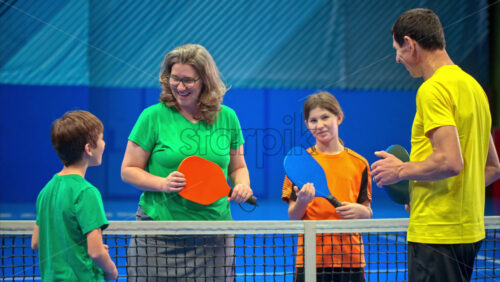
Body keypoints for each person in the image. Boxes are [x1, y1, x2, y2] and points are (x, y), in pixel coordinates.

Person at [371, 8, 500, 282]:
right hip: (469, 232)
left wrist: (401, 171)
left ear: (411, 44)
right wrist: (425, 193)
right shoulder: (474, 88)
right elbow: (493, 167)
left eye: (398, 49)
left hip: (437, 234)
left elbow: (450, 161)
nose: (397, 58)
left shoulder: (432, 89)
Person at [121, 43, 254, 281]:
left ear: (205, 80)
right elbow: (129, 170)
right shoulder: (152, 117)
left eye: (188, 80)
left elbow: (238, 167)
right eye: (174, 78)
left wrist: (242, 184)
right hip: (159, 232)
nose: (179, 86)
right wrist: (162, 183)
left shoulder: (228, 117)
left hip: (214, 234)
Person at [282, 92, 373, 282]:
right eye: (313, 120)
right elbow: (293, 215)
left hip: (350, 259)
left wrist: (361, 211)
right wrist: (302, 202)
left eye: (325, 117)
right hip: (311, 258)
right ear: (307, 124)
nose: (320, 125)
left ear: (339, 117)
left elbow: (367, 211)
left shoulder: (360, 164)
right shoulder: (299, 163)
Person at [31, 110, 118, 281]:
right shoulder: (87, 192)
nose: (104, 143)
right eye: (101, 138)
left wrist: (78, 248)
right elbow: (96, 252)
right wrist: (111, 270)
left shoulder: (46, 190)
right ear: (88, 149)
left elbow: (36, 242)